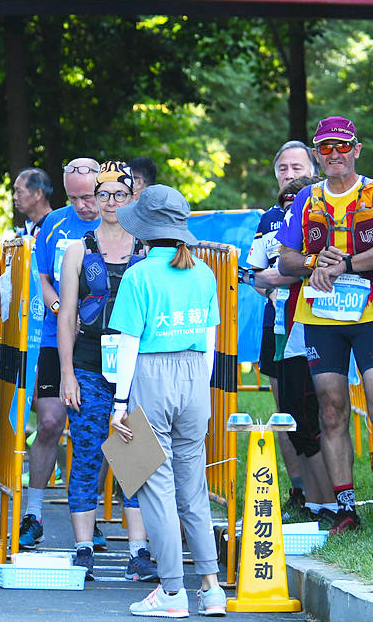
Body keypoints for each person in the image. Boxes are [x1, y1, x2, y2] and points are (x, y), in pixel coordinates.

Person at [276, 116, 373, 534]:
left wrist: (346, 265)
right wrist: (317, 263)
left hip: (372, 311)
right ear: (318, 155)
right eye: (326, 148)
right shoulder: (306, 199)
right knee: (331, 408)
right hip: (320, 317)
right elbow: (285, 259)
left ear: (356, 149)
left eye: (342, 146)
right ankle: (345, 507)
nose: (334, 154)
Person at [107, 184, 226, 618]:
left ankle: (172, 593)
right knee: (193, 488)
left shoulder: (139, 274)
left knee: (153, 485)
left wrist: (119, 402)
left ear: (145, 231)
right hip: (196, 379)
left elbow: (128, 344)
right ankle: (211, 589)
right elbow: (209, 344)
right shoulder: (204, 272)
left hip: (150, 377)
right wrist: (199, 387)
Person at [56, 161, 156, 582]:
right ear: (94, 199)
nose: (111, 202)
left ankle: (139, 550)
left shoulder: (148, 247)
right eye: (104, 195)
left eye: (120, 194)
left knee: (135, 458)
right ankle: (83, 546)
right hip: (90, 365)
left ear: (133, 197)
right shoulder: (79, 249)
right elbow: (67, 316)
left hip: (136, 368)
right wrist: (66, 373)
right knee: (87, 453)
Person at [243, 142, 332, 519]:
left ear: (312, 168)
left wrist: (292, 272)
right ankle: (301, 490)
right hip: (276, 323)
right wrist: (286, 274)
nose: (289, 174)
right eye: (282, 168)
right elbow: (255, 276)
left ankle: (331, 495)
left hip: (318, 321)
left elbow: (313, 268)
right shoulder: (269, 219)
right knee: (287, 410)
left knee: (322, 408)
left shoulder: (326, 211)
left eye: (296, 167)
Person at [21, 157, 101, 550]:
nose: (83, 205)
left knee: (97, 429)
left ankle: (92, 514)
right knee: (50, 421)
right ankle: (33, 512)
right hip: (55, 336)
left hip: (101, 339)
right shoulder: (55, 223)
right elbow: (43, 276)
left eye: (88, 197)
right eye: (74, 197)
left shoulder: (119, 221)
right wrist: (58, 309)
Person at [13, 167, 54, 238]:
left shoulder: (54, 228)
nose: (14, 197)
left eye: (19, 192)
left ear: (37, 194)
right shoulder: (28, 229)